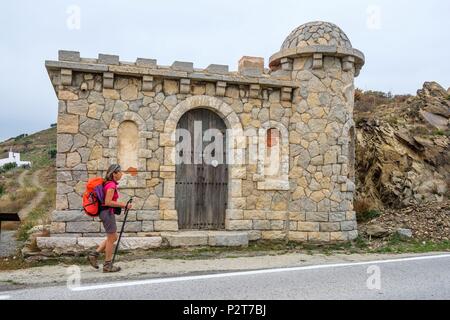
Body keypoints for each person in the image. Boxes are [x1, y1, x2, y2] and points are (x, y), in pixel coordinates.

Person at [87, 164, 132, 273]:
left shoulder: (108, 184)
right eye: (120, 172)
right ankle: (107, 265)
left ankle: (94, 255)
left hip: (106, 212)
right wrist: (124, 205)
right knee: (111, 239)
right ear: (114, 173)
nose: (121, 174)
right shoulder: (111, 185)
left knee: (113, 237)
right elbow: (108, 202)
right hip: (107, 213)